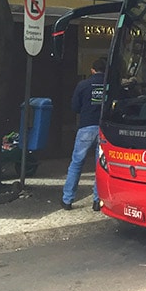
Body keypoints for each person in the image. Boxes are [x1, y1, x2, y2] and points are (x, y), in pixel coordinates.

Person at [61, 58, 106, 211]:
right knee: (100, 165)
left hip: (86, 126)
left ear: (92, 70)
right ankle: (97, 200)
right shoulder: (109, 86)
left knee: (76, 163)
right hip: (103, 129)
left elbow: (75, 107)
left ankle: (67, 200)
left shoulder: (83, 85)